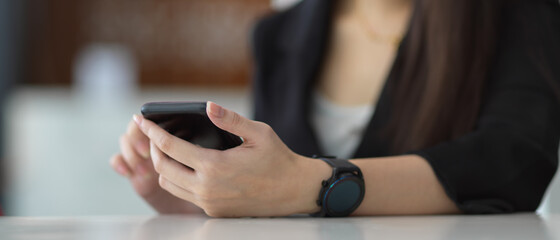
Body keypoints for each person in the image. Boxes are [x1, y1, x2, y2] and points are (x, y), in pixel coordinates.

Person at [110, 0, 560, 217]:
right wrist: (195, 195)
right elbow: (277, 202)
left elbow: (513, 162)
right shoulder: (279, 35)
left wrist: (312, 183)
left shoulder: (516, 14)